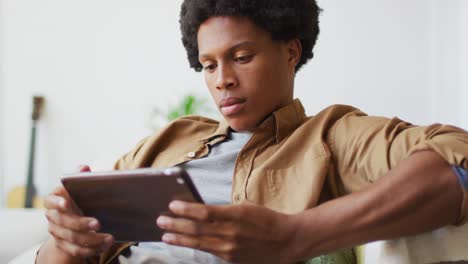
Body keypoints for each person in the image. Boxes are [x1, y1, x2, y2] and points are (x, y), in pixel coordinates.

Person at [37, 0, 468, 263]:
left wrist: (293, 237)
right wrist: (67, 238)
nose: (222, 79)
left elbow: (457, 159)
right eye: (208, 65)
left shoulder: (333, 135)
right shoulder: (170, 139)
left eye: (241, 56)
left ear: (290, 52)